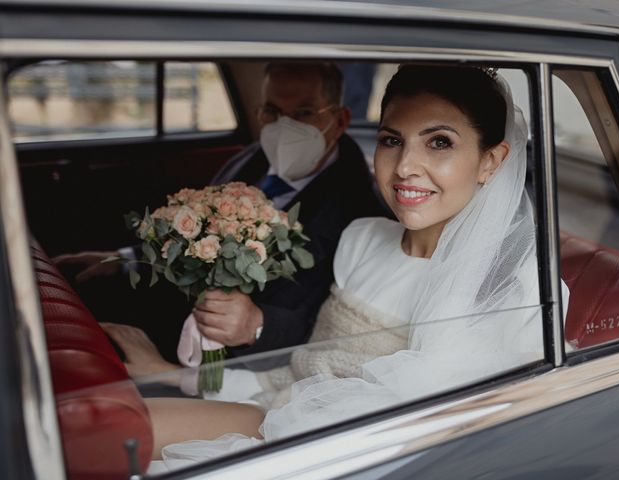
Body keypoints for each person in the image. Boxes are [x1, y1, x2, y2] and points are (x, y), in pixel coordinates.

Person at [115, 64, 570, 467]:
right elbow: (300, 372)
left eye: (439, 143)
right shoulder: (361, 240)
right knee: (95, 429)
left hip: (345, 455)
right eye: (393, 140)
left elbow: (430, 440)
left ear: (490, 161)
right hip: (273, 412)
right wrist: (176, 375)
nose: (406, 166)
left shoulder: (516, 289)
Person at [54, 62, 384, 364]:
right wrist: (121, 259)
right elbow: (194, 233)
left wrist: (257, 325)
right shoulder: (252, 157)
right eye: (271, 111)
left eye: (303, 113)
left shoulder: (356, 212)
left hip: (240, 363)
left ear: (339, 121)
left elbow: (326, 324)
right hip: (172, 315)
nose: (284, 127)